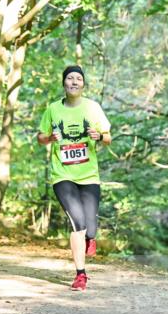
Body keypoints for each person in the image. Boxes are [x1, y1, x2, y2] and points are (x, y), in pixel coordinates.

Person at [36, 65, 112, 291]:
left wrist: (99, 136)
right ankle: (81, 274)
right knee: (77, 222)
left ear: (83, 84)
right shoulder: (53, 109)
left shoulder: (92, 107)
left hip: (89, 175)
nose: (74, 81)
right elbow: (40, 137)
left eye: (79, 78)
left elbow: (108, 137)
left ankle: (91, 236)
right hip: (63, 175)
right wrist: (50, 137)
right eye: (70, 78)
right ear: (64, 83)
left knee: (90, 227)